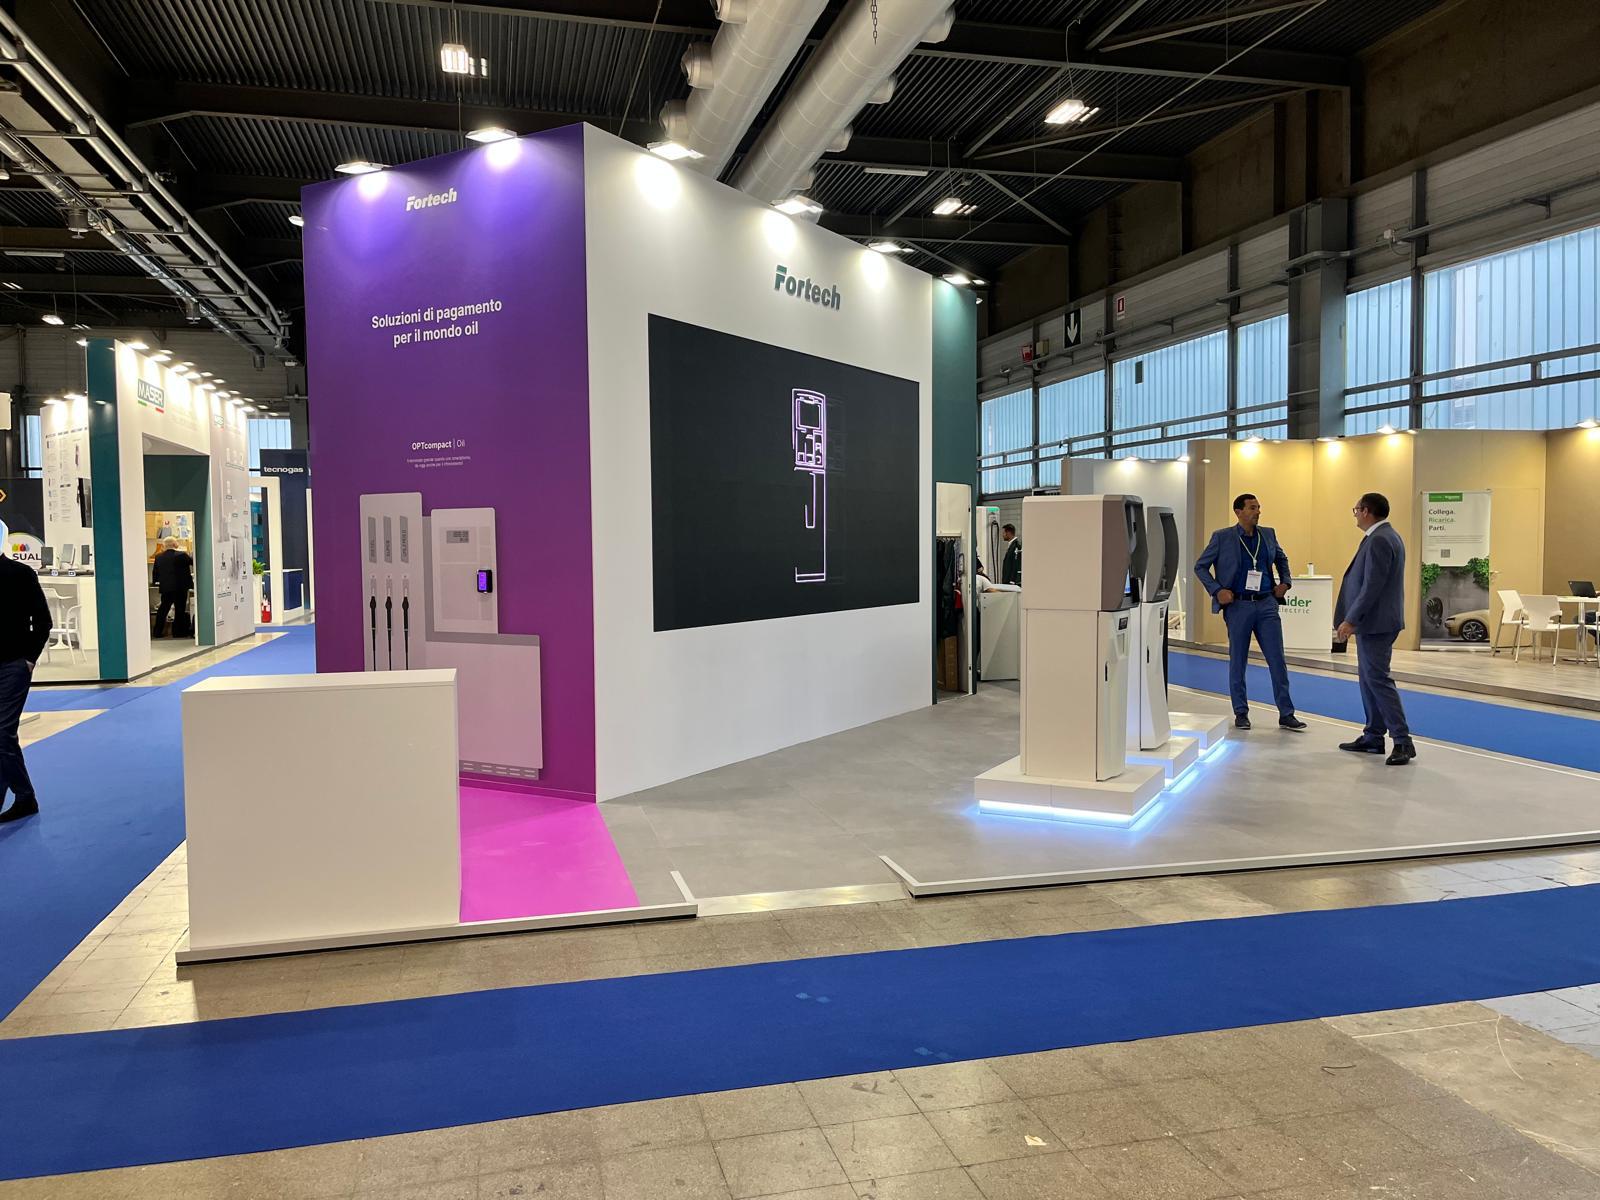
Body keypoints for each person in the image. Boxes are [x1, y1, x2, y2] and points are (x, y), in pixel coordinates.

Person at [1193, 493, 1307, 732]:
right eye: (1252, 508)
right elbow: (1200, 566)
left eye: (1258, 507)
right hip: (1239, 606)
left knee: (1277, 660)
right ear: (1238, 512)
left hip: (1266, 604)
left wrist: (1285, 582)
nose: (1258, 512)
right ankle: (1241, 712)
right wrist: (1217, 590)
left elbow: (1282, 559)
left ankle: (1286, 713)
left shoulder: (1268, 534)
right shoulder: (1222, 537)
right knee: (1238, 660)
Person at [1335, 492, 1414, 766]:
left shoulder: (1380, 539)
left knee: (1378, 679)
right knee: (1368, 679)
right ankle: (1373, 735)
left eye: (1356, 509)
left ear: (1366, 511)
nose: (1355, 514)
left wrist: (1351, 619)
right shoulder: (1384, 536)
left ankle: (1402, 741)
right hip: (1374, 622)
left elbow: (1372, 586)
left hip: (1377, 622)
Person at [0, 548, 51, 823]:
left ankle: (25, 797)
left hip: (13, 665)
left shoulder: (20, 574)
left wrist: (29, 659)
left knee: (3, 733)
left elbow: (43, 621)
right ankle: (22, 797)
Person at [152, 537, 195, 639]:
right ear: (175, 544)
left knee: (163, 609)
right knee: (180, 609)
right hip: (181, 587)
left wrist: (157, 582)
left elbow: (155, 573)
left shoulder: (159, 557)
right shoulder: (182, 555)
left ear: (164, 546)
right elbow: (193, 562)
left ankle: (157, 632)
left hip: (166, 587)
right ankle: (178, 632)